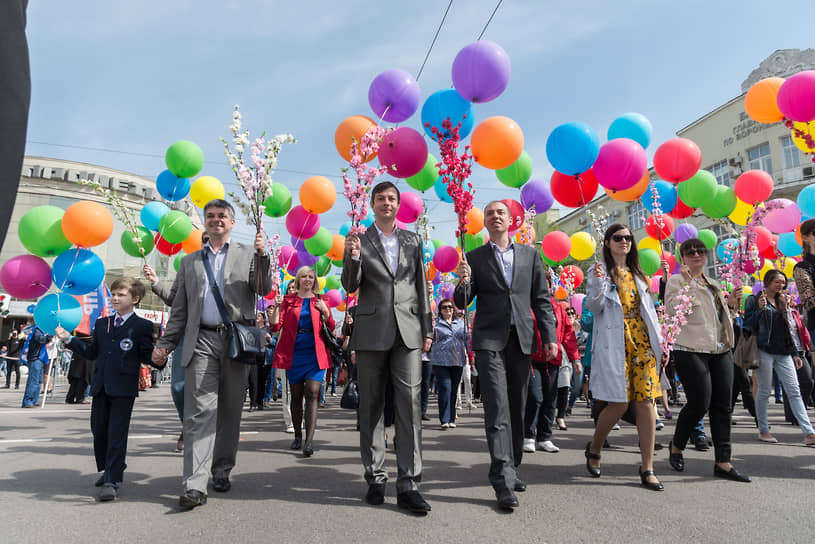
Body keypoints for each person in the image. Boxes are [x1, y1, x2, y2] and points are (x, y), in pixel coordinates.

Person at [151, 199, 272, 510]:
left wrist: (263, 256)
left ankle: (221, 469)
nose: (216, 220)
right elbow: (179, 310)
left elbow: (262, 288)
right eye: (211, 216)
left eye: (222, 216)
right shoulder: (189, 262)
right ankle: (194, 483)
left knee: (230, 411)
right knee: (199, 413)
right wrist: (165, 343)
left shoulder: (247, 253)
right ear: (204, 222)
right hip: (201, 340)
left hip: (234, 342)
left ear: (232, 222)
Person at [454, 200, 558, 511]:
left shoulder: (530, 255)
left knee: (518, 407)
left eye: (500, 212)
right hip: (489, 339)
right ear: (484, 222)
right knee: (497, 407)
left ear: (511, 220)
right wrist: (463, 279)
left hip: (522, 339)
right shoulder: (473, 257)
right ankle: (500, 478)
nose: (495, 217)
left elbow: (541, 299)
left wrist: (550, 336)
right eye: (489, 213)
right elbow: (461, 302)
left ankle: (511, 466)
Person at [342, 181, 433, 514]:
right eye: (380, 198)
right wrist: (352, 257)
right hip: (370, 331)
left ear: (398, 204)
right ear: (372, 203)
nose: (386, 203)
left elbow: (421, 286)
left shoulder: (412, 240)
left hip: (408, 330)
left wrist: (428, 328)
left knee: (409, 406)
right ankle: (375, 476)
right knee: (372, 407)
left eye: (391, 198)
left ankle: (409, 483)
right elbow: (350, 285)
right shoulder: (359, 240)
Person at [55, 277, 157, 501]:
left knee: (116, 434)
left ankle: (112, 478)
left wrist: (159, 358)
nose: (115, 298)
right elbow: (92, 353)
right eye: (114, 294)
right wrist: (69, 340)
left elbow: (147, 355)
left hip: (123, 388)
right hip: (100, 386)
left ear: (135, 299)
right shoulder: (102, 324)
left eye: (121, 294)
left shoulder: (142, 326)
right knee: (98, 430)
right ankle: (112, 466)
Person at [584, 224, 665, 491]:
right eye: (618, 238)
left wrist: (661, 347)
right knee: (618, 404)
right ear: (607, 243)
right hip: (615, 344)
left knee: (646, 404)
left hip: (642, 344)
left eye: (629, 238)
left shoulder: (639, 275)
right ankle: (595, 448)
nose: (624, 242)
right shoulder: (599, 273)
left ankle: (648, 467)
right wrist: (596, 282)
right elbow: (594, 307)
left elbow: (651, 316)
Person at [665, 238, 750, 482]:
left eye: (700, 251)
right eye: (690, 252)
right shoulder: (676, 281)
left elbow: (719, 319)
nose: (696, 255)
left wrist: (732, 306)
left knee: (723, 405)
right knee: (700, 402)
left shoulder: (712, 283)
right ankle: (677, 445)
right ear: (682, 257)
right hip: (690, 347)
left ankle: (723, 462)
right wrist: (689, 283)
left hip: (720, 348)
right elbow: (673, 310)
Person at [743, 269, 815, 445]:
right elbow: (747, 326)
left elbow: (789, 329)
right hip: (763, 350)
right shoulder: (754, 300)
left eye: (783, 282)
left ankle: (809, 433)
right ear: (767, 282)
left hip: (784, 352)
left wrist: (796, 353)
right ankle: (763, 430)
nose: (781, 285)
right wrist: (760, 310)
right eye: (777, 281)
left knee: (795, 391)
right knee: (764, 391)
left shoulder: (783, 301)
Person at [270, 266, 334, 457]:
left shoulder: (321, 300)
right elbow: (275, 326)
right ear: (298, 280)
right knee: (296, 396)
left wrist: (326, 312)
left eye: (310, 277)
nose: (307, 279)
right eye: (304, 277)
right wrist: (277, 307)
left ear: (314, 281)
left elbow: (331, 326)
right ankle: (297, 435)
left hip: (315, 353)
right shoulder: (288, 300)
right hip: (294, 352)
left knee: (313, 393)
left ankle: (309, 440)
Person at [143, 262, 185, 451]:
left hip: (218, 336)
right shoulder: (189, 265)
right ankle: (189, 425)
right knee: (178, 387)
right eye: (205, 240)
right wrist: (156, 282)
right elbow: (175, 300)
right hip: (187, 335)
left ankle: (204, 430)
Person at [430, 298, 469, 430]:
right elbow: (429, 339)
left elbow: (467, 339)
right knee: (445, 388)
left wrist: (471, 355)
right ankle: (444, 419)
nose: (448, 309)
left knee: (453, 390)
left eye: (450, 307)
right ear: (440, 310)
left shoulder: (461, 323)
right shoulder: (436, 324)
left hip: (457, 360)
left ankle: (452, 418)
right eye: (444, 307)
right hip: (440, 361)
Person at [21, 325, 50, 408]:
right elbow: (40, 339)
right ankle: (27, 401)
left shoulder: (43, 330)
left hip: (41, 358)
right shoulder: (37, 329)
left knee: (39, 381)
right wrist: (50, 337)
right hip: (35, 358)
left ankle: (34, 400)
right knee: (33, 380)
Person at [65, 332, 93, 404]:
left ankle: (70, 397)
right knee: (82, 378)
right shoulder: (87, 330)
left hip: (79, 356)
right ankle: (79, 398)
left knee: (76, 378)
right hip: (84, 356)